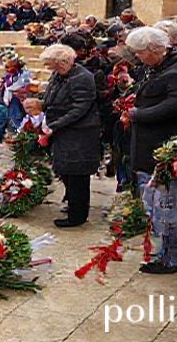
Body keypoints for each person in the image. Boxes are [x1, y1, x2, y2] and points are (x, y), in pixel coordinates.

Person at [126, 26, 177, 274]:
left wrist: (139, 114)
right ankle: (164, 250)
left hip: (162, 143)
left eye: (140, 53)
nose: (138, 58)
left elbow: (176, 104)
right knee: (157, 205)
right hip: (148, 143)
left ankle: (173, 257)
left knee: (169, 208)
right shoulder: (157, 66)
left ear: (154, 50)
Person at [41, 43, 101, 228]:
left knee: (77, 174)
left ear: (63, 62)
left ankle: (78, 215)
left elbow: (79, 108)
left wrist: (55, 125)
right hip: (65, 131)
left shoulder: (82, 78)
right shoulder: (61, 75)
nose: (50, 68)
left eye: (52, 64)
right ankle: (74, 205)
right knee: (66, 171)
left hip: (79, 133)